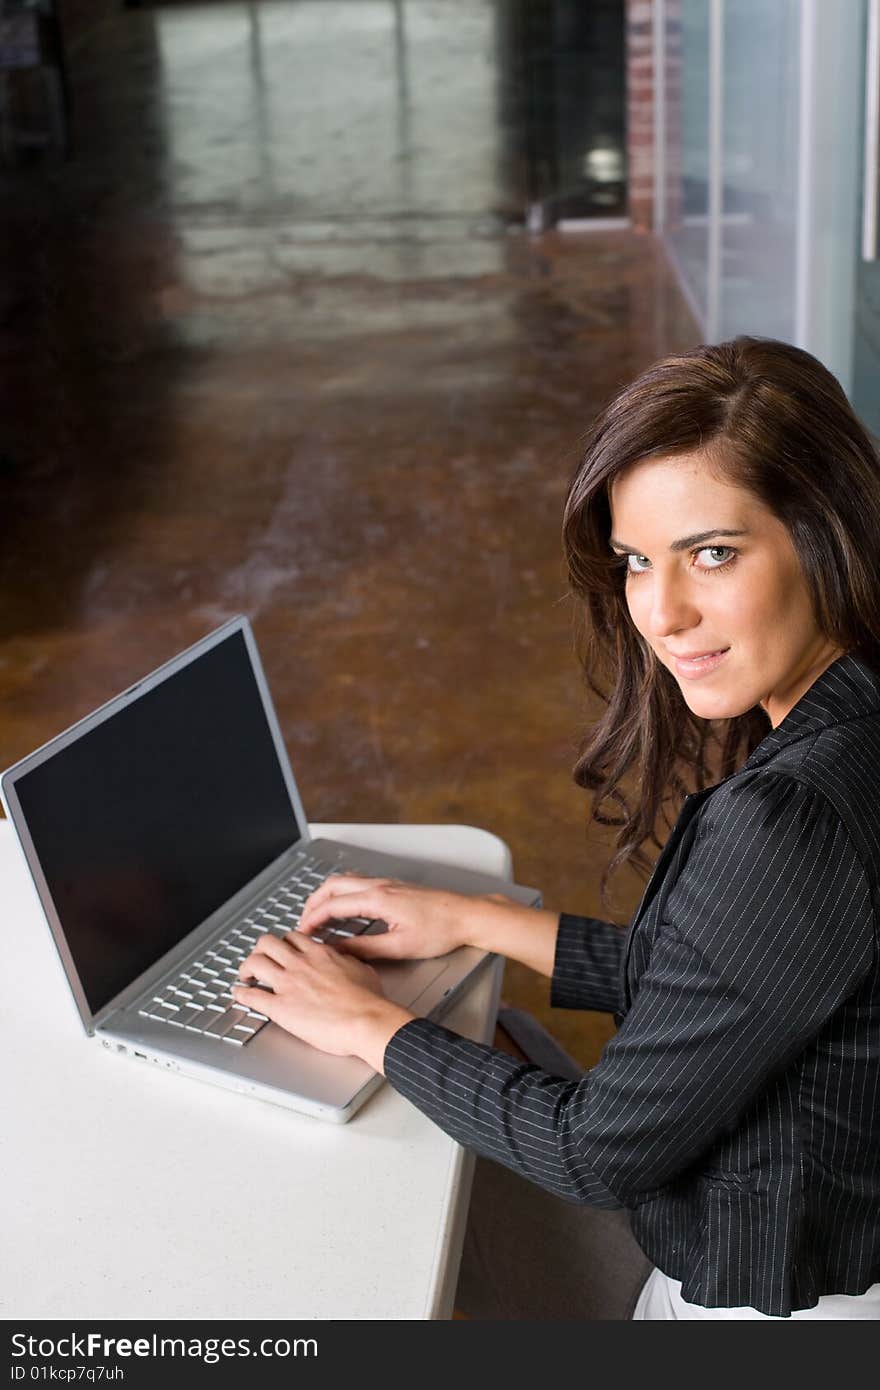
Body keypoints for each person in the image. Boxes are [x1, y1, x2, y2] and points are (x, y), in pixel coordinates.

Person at [232, 336, 880, 1319]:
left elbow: (596, 1148)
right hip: (801, 1231)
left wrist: (364, 1021)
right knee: (499, 1030)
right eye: (634, 562)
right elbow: (716, 981)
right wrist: (471, 919)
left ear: (824, 535)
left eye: (712, 553)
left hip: (763, 1303)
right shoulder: (851, 719)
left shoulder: (791, 821)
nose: (660, 613)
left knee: (385, 1151)